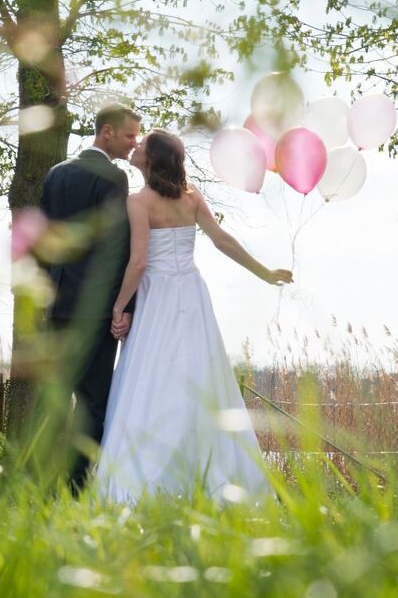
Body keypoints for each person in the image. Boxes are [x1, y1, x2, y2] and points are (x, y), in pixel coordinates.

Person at [94, 128, 292, 503]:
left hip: (156, 296)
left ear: (151, 159)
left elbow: (137, 263)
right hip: (190, 292)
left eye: (142, 145)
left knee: (150, 376)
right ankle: (203, 473)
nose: (135, 148)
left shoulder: (138, 202)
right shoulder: (192, 197)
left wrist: (119, 307)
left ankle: (148, 477)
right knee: (195, 374)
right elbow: (223, 241)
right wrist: (264, 272)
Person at [39, 103, 141, 492]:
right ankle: (76, 488)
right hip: (94, 309)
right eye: (130, 135)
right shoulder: (113, 178)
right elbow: (116, 248)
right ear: (107, 132)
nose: (135, 144)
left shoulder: (56, 174)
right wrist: (124, 307)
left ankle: (41, 484)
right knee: (92, 402)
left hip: (56, 304)